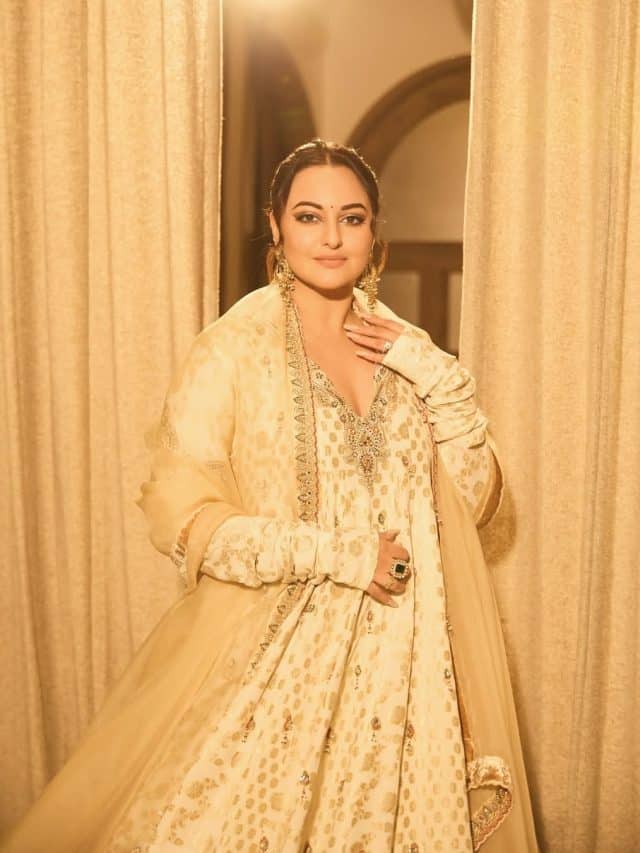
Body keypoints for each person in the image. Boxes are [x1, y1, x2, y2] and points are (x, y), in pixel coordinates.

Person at [1, 139, 539, 852]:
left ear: (374, 231)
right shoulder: (233, 349)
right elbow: (189, 526)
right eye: (310, 216)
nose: (331, 237)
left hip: (408, 673)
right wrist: (339, 554)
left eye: (351, 218)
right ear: (276, 227)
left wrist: (442, 382)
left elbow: (464, 513)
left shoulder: (405, 348)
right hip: (282, 671)